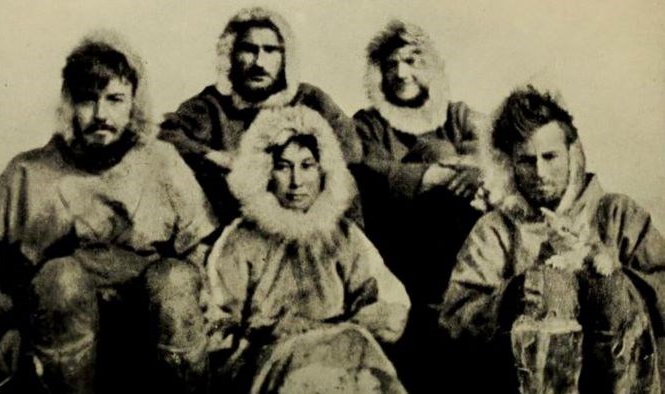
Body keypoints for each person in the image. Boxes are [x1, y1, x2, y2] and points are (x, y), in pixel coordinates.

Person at [0, 32, 217, 393]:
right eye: (87, 99)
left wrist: (192, 308)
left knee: (174, 279)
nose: (101, 114)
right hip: (59, 347)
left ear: (134, 104)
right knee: (62, 277)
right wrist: (5, 335)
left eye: (115, 99)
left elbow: (205, 251)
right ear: (68, 104)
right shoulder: (29, 174)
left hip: (151, 342)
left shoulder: (162, 164)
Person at [440, 85, 665, 393]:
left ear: (572, 153)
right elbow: (454, 321)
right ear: (509, 163)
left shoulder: (617, 213)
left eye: (550, 156)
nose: (540, 172)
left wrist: (606, 281)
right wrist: (518, 292)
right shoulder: (494, 230)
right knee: (548, 284)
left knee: (607, 282)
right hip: (526, 385)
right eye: (526, 161)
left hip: (626, 381)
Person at [200, 106, 409, 392]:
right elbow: (214, 328)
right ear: (265, 173)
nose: (296, 181)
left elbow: (389, 304)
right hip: (272, 368)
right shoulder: (239, 239)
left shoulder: (344, 235)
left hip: (345, 361)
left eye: (307, 165)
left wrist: (348, 328)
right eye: (283, 166)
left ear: (324, 171)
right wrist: (275, 335)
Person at [352, 20, 489, 391]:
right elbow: (370, 169)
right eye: (392, 64)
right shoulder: (367, 124)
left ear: (429, 66)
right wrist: (434, 174)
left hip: (460, 247)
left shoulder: (456, 114)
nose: (401, 72)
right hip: (400, 246)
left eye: (412, 60)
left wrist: (475, 169)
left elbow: (489, 146)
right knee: (439, 150)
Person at [159, 7, 362, 226]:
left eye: (270, 50)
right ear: (231, 55)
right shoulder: (213, 104)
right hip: (237, 224)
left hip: (306, 221)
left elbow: (351, 149)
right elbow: (165, 134)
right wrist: (215, 157)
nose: (259, 62)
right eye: (249, 49)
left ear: (285, 58)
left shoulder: (310, 98)